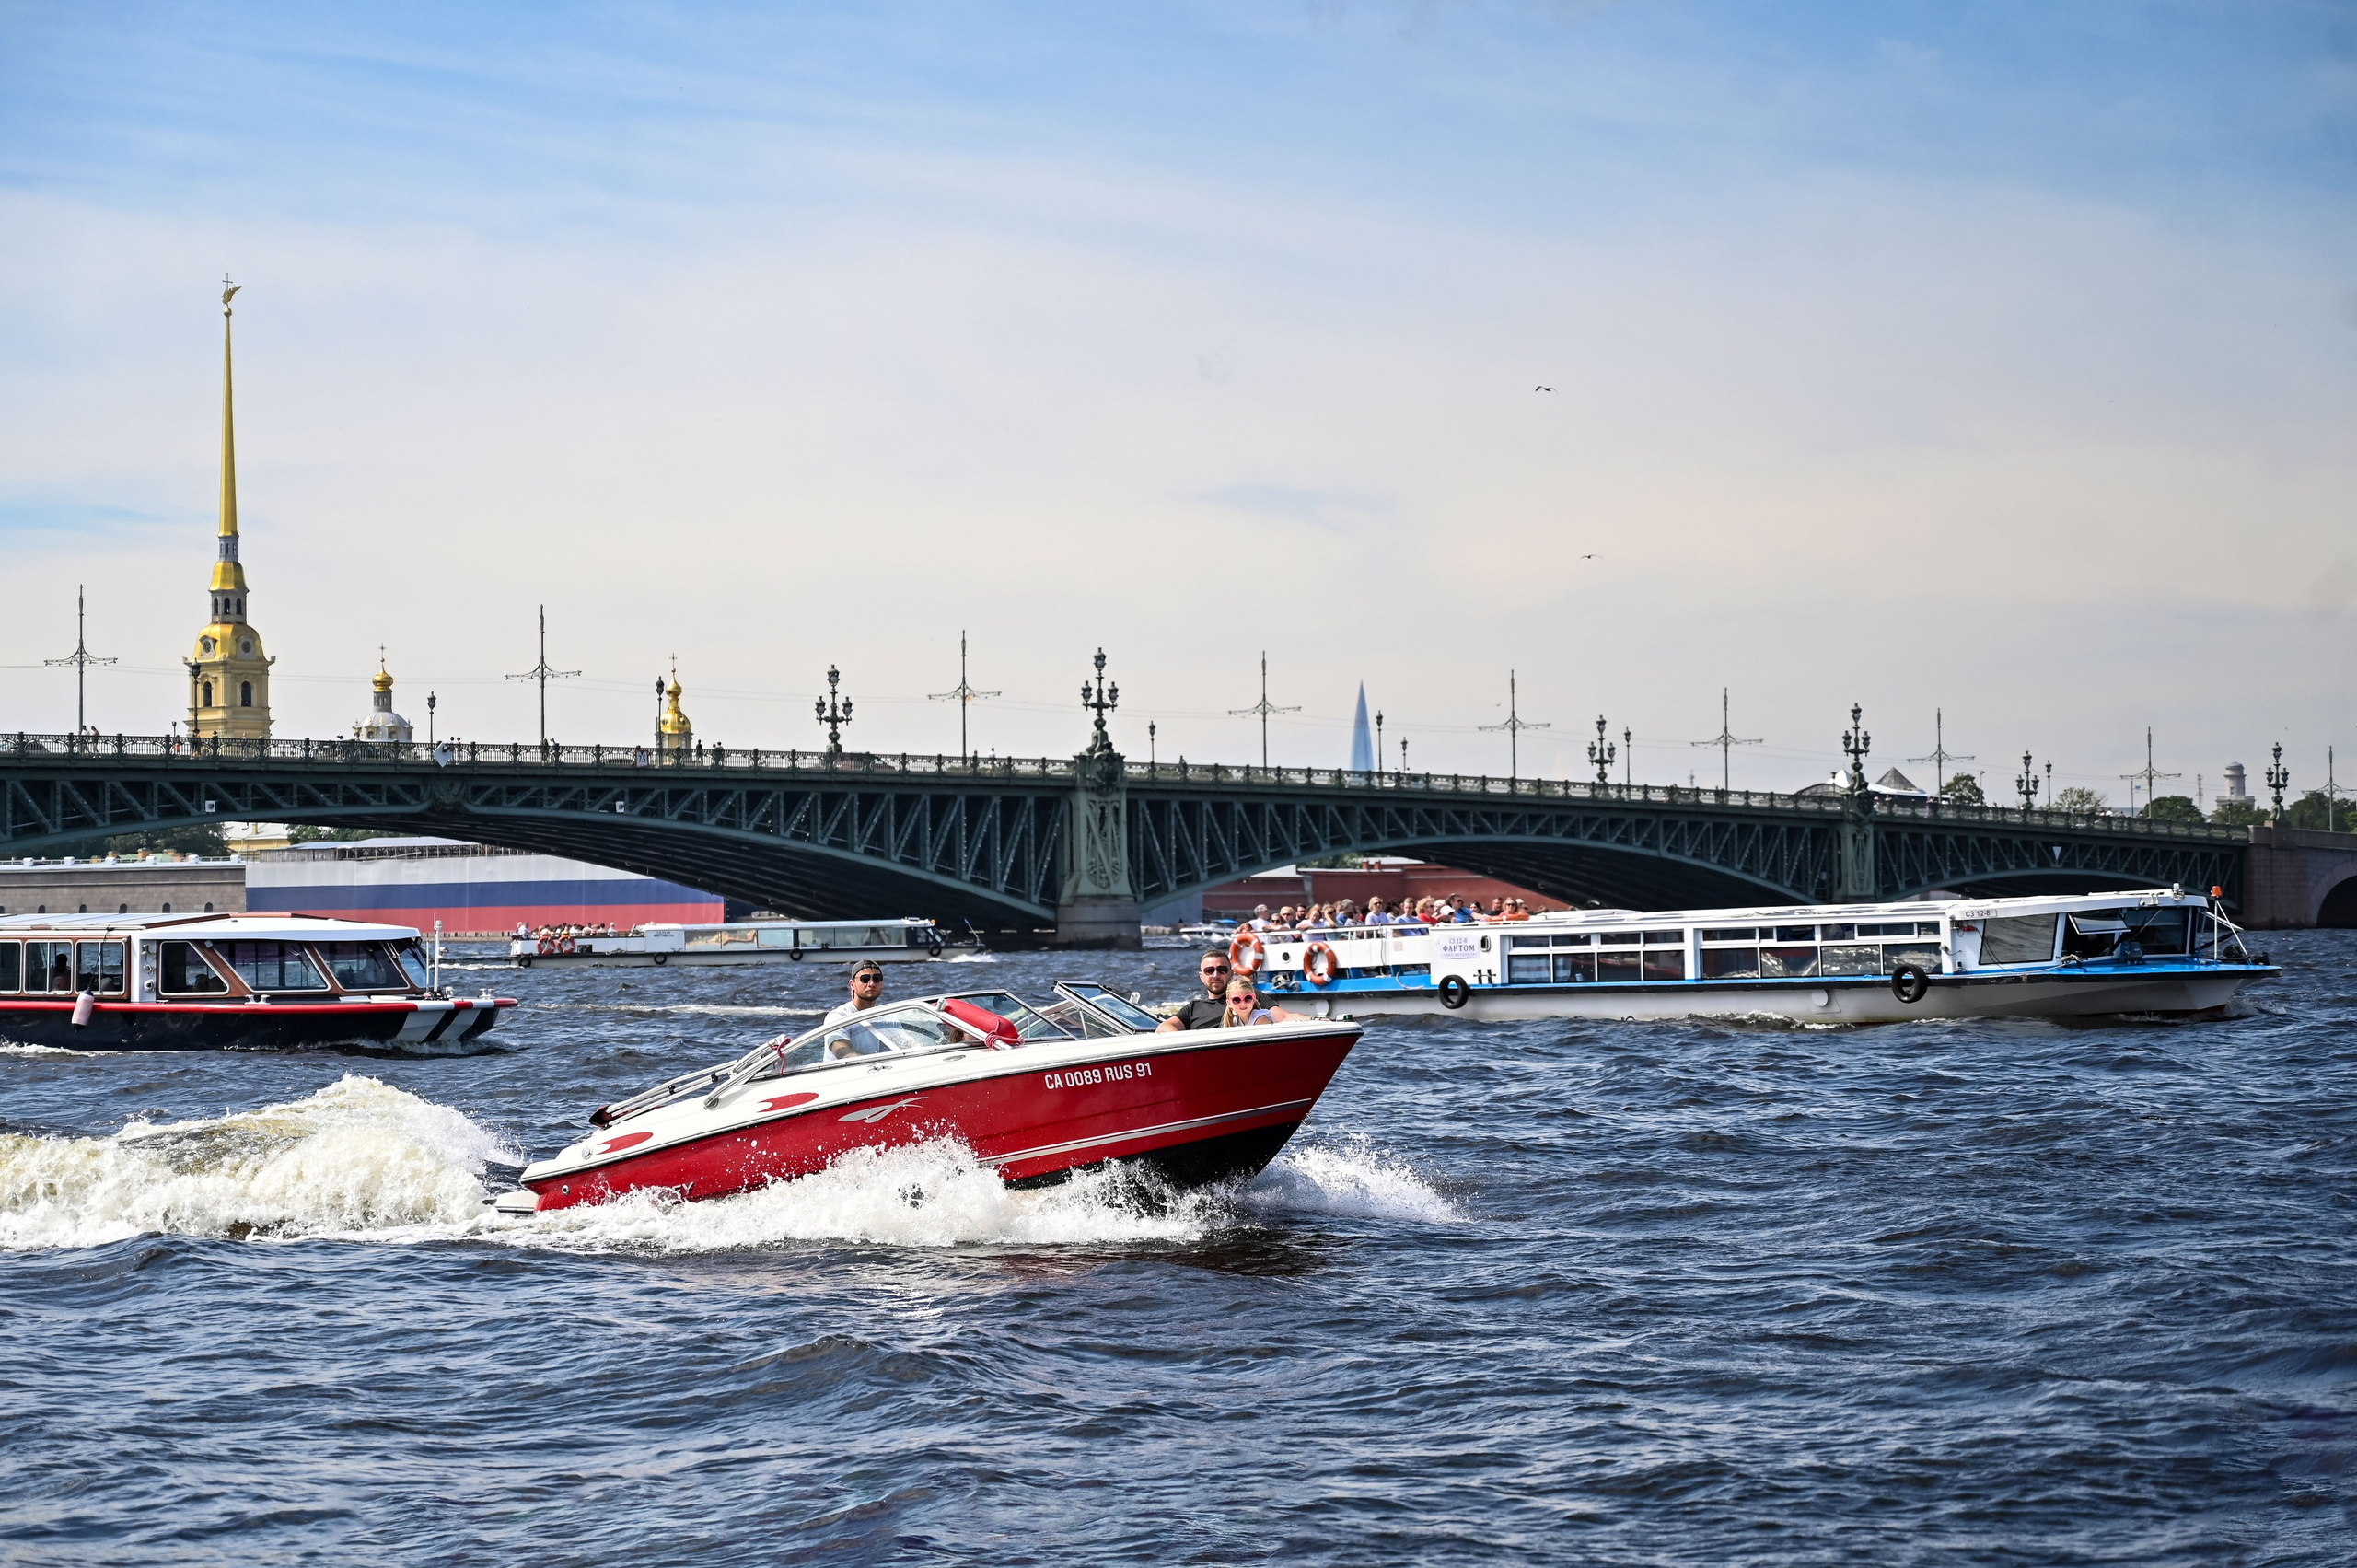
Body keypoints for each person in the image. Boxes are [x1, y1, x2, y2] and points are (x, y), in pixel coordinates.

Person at [1156, 949, 1237, 1031]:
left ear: (1231, 973)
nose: (1215, 975)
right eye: (1209, 970)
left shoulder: (1243, 1000)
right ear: (1201, 977)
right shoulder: (1193, 1008)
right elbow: (1163, 1028)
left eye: (1222, 970)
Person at [822, 961, 887, 1025]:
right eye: (865, 979)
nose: (871, 984)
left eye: (877, 978)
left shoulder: (886, 1017)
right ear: (852, 984)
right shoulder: (838, 1017)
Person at [1222, 974, 1301, 1027]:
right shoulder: (1235, 1021)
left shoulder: (1260, 1020)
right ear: (1229, 1003)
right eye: (1236, 1000)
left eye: (1247, 998)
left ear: (1253, 999)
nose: (1243, 1003)